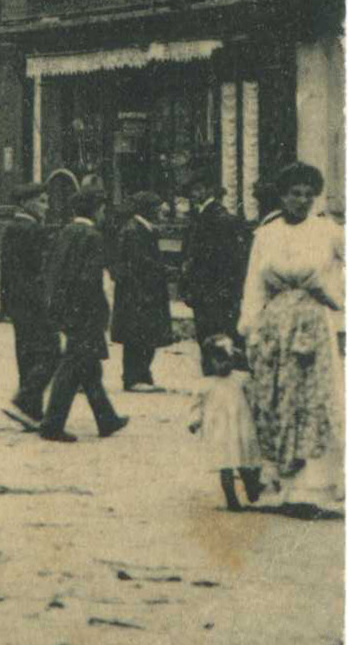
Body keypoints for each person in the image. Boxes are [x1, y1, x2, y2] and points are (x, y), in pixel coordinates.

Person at [239, 161, 344, 515]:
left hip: (314, 329)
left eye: (307, 195)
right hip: (275, 329)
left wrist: (334, 299)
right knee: (275, 398)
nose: (301, 200)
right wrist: (250, 327)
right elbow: (254, 283)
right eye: (294, 194)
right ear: (282, 196)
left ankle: (312, 485)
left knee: (313, 400)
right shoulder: (267, 235)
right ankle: (279, 483)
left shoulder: (329, 232)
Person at [34, 184, 129, 443]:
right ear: (97, 210)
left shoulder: (65, 232)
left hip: (64, 310)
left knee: (89, 368)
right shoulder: (92, 237)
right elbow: (90, 281)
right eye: (102, 209)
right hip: (85, 313)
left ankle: (106, 419)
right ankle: (52, 425)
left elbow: (50, 272)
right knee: (72, 367)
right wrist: (99, 312)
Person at [0, 182, 58, 427]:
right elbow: (36, 272)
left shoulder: (14, 227)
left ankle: (31, 410)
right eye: (42, 201)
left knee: (28, 354)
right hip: (32, 303)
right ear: (27, 203)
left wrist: (6, 305)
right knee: (51, 351)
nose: (47, 206)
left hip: (17, 303)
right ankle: (25, 402)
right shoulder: (29, 230)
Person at [188, 334, 263, 512]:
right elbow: (196, 405)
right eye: (218, 360)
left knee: (246, 462)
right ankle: (231, 499)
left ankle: (252, 487)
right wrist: (195, 421)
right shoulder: (205, 384)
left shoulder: (240, 378)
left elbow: (254, 395)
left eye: (228, 359)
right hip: (219, 430)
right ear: (208, 361)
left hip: (241, 426)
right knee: (226, 465)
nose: (224, 364)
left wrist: (258, 410)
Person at [112, 191, 172, 393]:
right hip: (139, 294)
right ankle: (134, 377)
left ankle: (142, 375)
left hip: (144, 293)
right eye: (157, 207)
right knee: (137, 336)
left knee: (144, 336)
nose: (161, 212)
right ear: (147, 210)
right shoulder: (134, 231)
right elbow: (137, 266)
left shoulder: (141, 229)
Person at [183, 183, 250, 351]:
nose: (193, 193)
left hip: (211, 287)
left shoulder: (214, 217)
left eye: (197, 189)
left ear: (208, 190)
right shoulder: (205, 215)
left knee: (212, 333)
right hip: (210, 287)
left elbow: (223, 257)